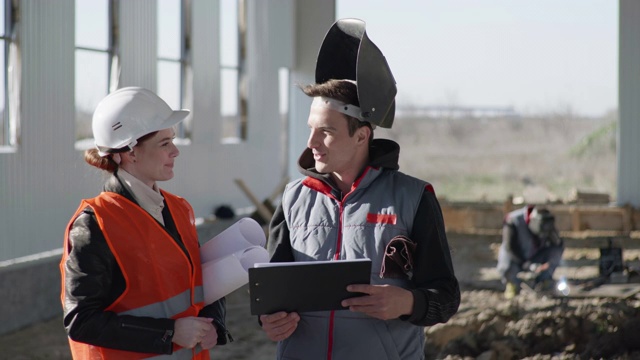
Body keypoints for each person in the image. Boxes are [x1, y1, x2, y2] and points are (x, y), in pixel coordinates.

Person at [260, 19, 460, 360]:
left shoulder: (414, 199)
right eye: (311, 129)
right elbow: (271, 292)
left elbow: (445, 297)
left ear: (361, 135)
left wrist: (407, 301)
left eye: (326, 131)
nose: (311, 143)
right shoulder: (293, 199)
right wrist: (271, 319)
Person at [60, 87, 231, 359]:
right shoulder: (94, 224)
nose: (175, 152)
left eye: (173, 140)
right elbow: (82, 320)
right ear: (129, 152)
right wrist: (169, 332)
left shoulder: (178, 208)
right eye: (164, 144)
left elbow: (198, 284)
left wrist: (215, 324)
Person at [497, 205, 564, 299]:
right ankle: (512, 284)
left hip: (534, 255)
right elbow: (510, 247)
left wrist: (547, 264)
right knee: (507, 261)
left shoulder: (547, 223)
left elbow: (558, 245)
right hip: (516, 256)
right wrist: (526, 264)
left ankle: (544, 281)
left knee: (555, 252)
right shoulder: (513, 220)